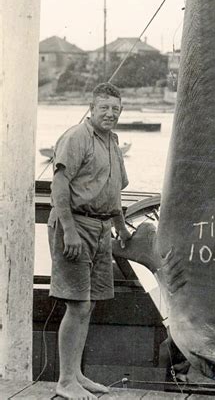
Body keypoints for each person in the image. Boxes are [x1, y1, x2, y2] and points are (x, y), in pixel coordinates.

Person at [48, 82, 133, 400]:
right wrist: (68, 230)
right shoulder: (75, 137)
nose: (110, 114)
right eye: (104, 108)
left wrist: (121, 229)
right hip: (75, 225)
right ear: (91, 108)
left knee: (90, 303)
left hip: (101, 229)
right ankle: (65, 380)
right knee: (78, 304)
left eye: (115, 109)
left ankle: (77, 375)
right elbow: (59, 186)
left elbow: (114, 193)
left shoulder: (112, 141)